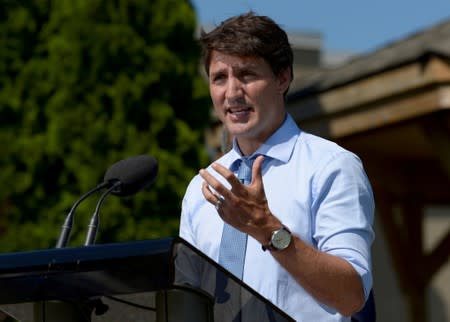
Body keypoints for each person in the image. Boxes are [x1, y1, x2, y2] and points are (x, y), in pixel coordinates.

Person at [179, 11, 375, 322]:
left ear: (282, 78)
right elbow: (184, 301)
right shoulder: (199, 189)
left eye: (246, 75)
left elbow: (352, 297)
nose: (231, 93)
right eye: (219, 78)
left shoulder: (331, 167)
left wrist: (267, 229)